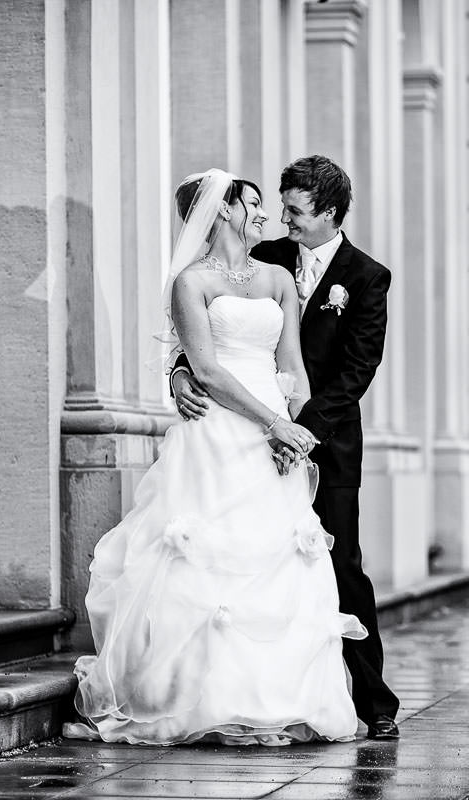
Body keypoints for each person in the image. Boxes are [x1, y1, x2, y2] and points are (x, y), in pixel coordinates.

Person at [64, 168, 366, 746]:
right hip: (219, 434)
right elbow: (204, 369)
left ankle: (282, 699)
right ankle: (200, 699)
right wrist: (265, 419)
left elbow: (295, 369)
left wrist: (295, 436)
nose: (266, 216)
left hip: (276, 439)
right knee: (207, 561)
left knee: (280, 560)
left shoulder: (278, 276)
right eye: (253, 205)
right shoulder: (191, 283)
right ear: (222, 211)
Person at [170, 155, 401, 740]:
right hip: (255, 434)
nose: (283, 220)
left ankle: (374, 701)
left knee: (341, 564)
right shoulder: (265, 261)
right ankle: (265, 689)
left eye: (296, 212)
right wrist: (179, 372)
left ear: (327, 212)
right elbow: (215, 330)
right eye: (280, 206)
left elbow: (354, 373)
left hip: (325, 439)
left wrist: (299, 433)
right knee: (265, 565)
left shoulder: (367, 276)